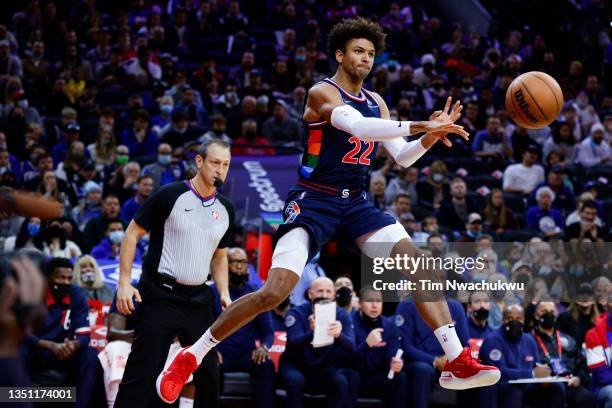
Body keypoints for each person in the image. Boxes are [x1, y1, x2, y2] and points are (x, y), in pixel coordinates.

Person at [155, 18, 499, 404]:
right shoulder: (322, 92)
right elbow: (359, 127)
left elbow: (402, 157)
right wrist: (419, 123)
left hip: (355, 202)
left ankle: (456, 359)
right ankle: (191, 355)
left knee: (420, 266)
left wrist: (429, 138)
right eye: (358, 51)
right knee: (275, 290)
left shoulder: (377, 101)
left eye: (371, 53)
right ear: (340, 54)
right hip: (313, 199)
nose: (365, 59)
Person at [114, 140, 234, 407]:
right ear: (199, 161)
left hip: (198, 300)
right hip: (159, 294)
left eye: (226, 165)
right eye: (215, 162)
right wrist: (124, 282)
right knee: (143, 373)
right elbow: (132, 233)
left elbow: (220, 254)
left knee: (210, 374)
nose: (220, 170)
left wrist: (224, 292)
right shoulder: (170, 195)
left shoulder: (226, 209)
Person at [20, 258, 99, 408]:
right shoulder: (33, 294)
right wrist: (49, 345)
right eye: (61, 278)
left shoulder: (77, 294)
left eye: (69, 278)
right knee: (19, 350)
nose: (66, 282)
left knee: (90, 355)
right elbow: (21, 332)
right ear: (48, 278)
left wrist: (73, 345)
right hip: (37, 349)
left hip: (64, 352)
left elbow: (84, 335)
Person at [279, 277, 359, 408]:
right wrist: (312, 333)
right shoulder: (296, 313)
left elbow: (351, 346)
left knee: (340, 381)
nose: (324, 295)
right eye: (319, 291)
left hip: (324, 367)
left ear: (334, 294)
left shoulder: (342, 315)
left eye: (328, 291)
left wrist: (339, 335)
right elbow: (294, 342)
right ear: (310, 293)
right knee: (296, 380)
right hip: (296, 364)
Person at [212, 249, 276, 408]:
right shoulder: (213, 291)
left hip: (246, 354)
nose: (239, 266)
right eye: (234, 262)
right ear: (225, 265)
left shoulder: (256, 294)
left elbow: (268, 332)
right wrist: (210, 351)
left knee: (266, 365)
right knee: (208, 365)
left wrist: (264, 347)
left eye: (243, 262)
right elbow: (201, 326)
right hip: (220, 352)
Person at [479, 304, 565, 408]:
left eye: (518, 318)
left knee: (556, 388)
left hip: (526, 386)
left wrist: (544, 375)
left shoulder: (529, 340)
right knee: (515, 390)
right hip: (500, 387)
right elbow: (498, 372)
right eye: (509, 318)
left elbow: (537, 366)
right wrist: (532, 373)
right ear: (503, 320)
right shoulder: (492, 340)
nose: (514, 322)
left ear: (524, 320)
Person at [396, 297, 470, 408]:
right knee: (423, 370)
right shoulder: (407, 305)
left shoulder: (456, 307)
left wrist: (453, 360)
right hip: (417, 362)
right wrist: (434, 361)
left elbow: (465, 344)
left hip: (450, 362)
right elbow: (405, 346)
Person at [531, 298, 595, 407]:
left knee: (587, 397)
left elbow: (582, 364)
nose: (549, 315)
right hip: (546, 387)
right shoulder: (529, 340)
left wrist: (578, 378)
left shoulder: (568, 339)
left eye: (552, 312)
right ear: (537, 315)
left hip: (569, 383)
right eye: (544, 312)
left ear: (556, 316)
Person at [352, 286, 408, 407]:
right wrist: (367, 345)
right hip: (355, 378)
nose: (374, 305)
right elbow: (348, 361)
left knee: (401, 377)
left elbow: (393, 354)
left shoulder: (389, 325)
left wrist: (396, 363)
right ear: (360, 303)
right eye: (369, 301)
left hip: (379, 378)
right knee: (350, 376)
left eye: (378, 301)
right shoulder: (350, 322)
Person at [467, 291, 494, 358]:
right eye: (477, 301)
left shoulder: (494, 333)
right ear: (469, 307)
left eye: (486, 301)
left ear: (490, 306)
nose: (482, 305)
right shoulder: (461, 330)